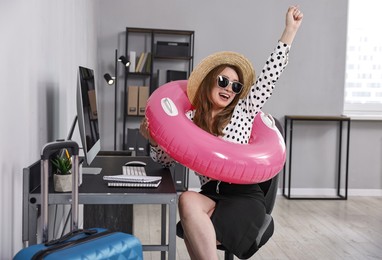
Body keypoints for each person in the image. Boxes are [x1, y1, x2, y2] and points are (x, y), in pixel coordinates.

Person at [140, 5, 303, 260]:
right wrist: (153, 139)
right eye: (223, 81)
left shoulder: (245, 110)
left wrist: (289, 31)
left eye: (236, 86)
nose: (229, 88)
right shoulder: (190, 120)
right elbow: (164, 161)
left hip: (243, 195)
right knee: (187, 200)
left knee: (200, 233)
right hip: (212, 193)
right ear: (210, 82)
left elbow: (269, 77)